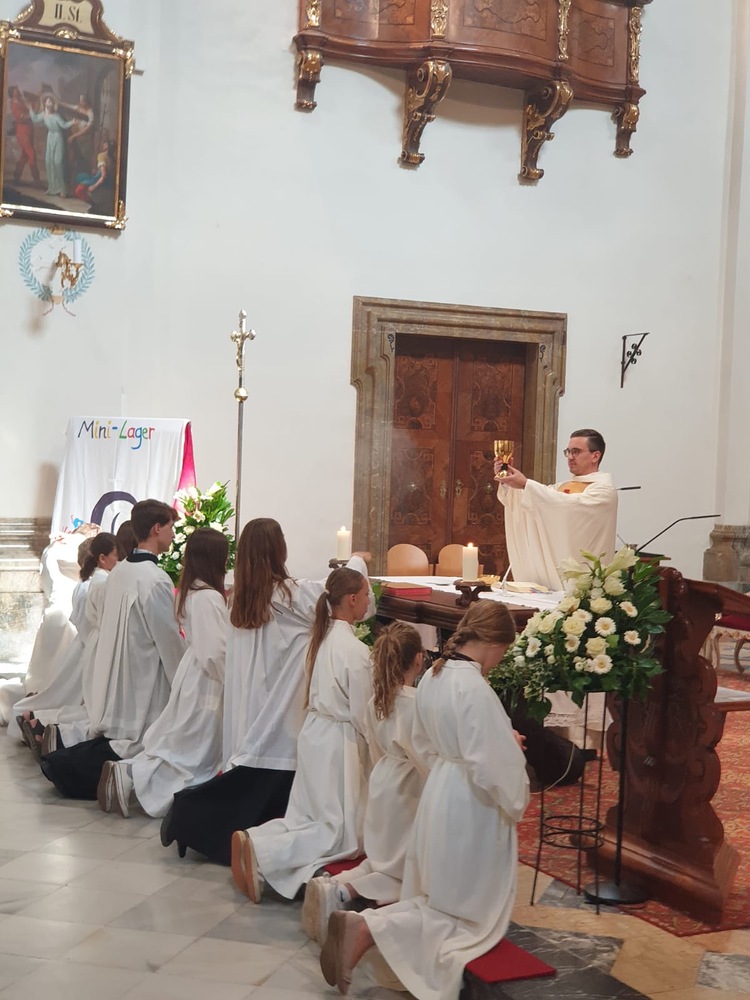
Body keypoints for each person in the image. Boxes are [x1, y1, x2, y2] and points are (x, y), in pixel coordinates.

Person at [318, 601, 529, 1000]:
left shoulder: (434, 676)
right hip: (471, 801)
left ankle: (367, 924)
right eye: (503, 651)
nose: (500, 660)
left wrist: (485, 747)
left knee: (438, 894)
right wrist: (515, 784)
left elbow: (431, 742)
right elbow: (492, 765)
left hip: (440, 791)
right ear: (494, 642)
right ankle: (369, 927)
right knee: (466, 914)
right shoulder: (474, 688)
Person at [160, 517, 371, 865]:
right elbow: (338, 598)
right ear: (279, 549)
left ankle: (192, 817)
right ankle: (189, 814)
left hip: (251, 709)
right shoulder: (291, 594)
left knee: (248, 791)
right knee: (262, 797)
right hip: (281, 712)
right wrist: (358, 562)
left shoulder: (238, 599)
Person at [231, 566, 372, 903]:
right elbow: (363, 711)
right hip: (339, 742)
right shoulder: (354, 650)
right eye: (367, 595)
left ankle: (258, 840)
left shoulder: (320, 639)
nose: (370, 601)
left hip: (315, 734)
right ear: (352, 600)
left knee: (309, 815)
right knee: (336, 831)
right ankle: (264, 850)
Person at [40, 500, 186, 799]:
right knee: (145, 740)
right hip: (146, 674)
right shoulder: (155, 579)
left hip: (121, 669)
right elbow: (168, 639)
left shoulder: (121, 572)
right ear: (156, 529)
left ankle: (65, 755)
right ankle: (109, 772)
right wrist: (184, 679)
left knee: (122, 734)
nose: (173, 534)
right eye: (171, 527)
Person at [303, 621, 427, 944]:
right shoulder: (416, 703)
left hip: (383, 780)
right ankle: (343, 893)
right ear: (419, 659)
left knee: (379, 859)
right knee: (403, 872)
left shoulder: (377, 702)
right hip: (408, 787)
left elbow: (374, 746)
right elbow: (424, 755)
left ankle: (332, 884)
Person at [97, 527, 229, 817]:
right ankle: (132, 774)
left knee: (180, 742)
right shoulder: (208, 597)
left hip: (193, 673)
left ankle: (130, 771)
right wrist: (233, 681)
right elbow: (215, 652)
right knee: (192, 752)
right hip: (207, 680)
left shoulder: (193, 590)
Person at [17, 532, 118, 751]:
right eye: (116, 555)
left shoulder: (87, 583)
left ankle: (37, 718)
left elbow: (80, 618)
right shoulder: (101, 583)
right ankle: (41, 724)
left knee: (71, 697)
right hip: (93, 646)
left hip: (86, 643)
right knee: (82, 703)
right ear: (101, 557)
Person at [495, 428, 617, 592]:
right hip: (551, 578)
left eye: (576, 451)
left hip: (582, 582)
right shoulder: (562, 487)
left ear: (595, 456)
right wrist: (508, 480)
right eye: (568, 452)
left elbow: (567, 506)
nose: (570, 457)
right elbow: (535, 505)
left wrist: (525, 484)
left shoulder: (604, 491)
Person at [28, 94, 75, 198]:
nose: (50, 103)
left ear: (54, 104)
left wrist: (72, 122)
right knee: (49, 162)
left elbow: (63, 125)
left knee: (57, 162)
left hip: (58, 137)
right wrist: (31, 109)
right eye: (48, 101)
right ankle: (52, 188)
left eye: (52, 102)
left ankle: (62, 189)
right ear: (45, 103)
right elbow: (35, 119)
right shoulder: (43, 115)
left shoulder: (56, 116)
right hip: (50, 137)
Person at [7, 85, 40, 185]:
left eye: (18, 90)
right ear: (12, 94)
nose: (18, 92)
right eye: (15, 91)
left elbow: (32, 108)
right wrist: (32, 114)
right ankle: (36, 178)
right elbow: (22, 117)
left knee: (25, 155)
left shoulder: (22, 101)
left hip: (29, 130)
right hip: (22, 132)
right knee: (31, 153)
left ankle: (17, 175)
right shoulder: (13, 104)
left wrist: (35, 103)